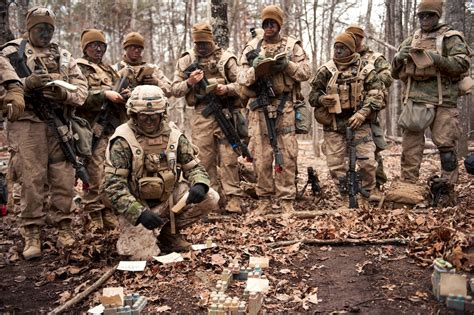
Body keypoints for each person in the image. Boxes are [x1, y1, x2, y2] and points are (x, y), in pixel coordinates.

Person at [1, 7, 88, 259]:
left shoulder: (62, 55)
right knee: (31, 177)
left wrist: (63, 93)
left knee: (63, 176)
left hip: (59, 124)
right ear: (29, 29)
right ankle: (32, 232)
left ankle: (64, 226)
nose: (46, 33)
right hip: (27, 126)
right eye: (41, 29)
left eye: (50, 29)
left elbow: (81, 90)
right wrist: (26, 86)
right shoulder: (10, 53)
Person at [103, 85, 219, 252]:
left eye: (154, 116)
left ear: (162, 114)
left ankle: (168, 233)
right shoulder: (122, 140)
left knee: (210, 196)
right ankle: (143, 235)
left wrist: (200, 183)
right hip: (136, 204)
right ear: (134, 115)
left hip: (168, 199)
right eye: (144, 116)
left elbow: (194, 167)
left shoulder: (173, 135)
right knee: (143, 257)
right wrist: (139, 213)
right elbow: (113, 188)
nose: (149, 121)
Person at [238, 5, 311, 214]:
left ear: (279, 25)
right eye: (266, 23)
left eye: (273, 23)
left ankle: (286, 199)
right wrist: (255, 69)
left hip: (284, 105)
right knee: (261, 154)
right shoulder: (252, 46)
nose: (269, 27)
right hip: (258, 108)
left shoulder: (292, 46)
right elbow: (240, 77)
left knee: (287, 153)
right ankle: (264, 199)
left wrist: (287, 65)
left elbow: (306, 71)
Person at [391, 0, 471, 190]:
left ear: (437, 16)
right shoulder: (411, 40)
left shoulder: (451, 38)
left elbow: (462, 64)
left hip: (444, 99)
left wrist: (435, 59)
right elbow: (394, 73)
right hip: (416, 99)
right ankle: (408, 187)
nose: (425, 19)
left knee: (446, 146)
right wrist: (398, 58)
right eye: (422, 16)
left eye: (429, 15)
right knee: (410, 146)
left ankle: (446, 187)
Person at [171, 22, 247, 213]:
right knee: (204, 159)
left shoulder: (226, 59)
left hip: (225, 112)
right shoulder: (187, 60)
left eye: (205, 43)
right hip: (201, 114)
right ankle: (211, 199)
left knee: (229, 157)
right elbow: (174, 89)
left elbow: (243, 84)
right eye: (198, 43)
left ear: (212, 40)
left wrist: (226, 89)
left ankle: (233, 198)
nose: (202, 47)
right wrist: (189, 82)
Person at [309, 32, 383, 201]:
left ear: (351, 49)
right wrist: (321, 99)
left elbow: (376, 94)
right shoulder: (326, 70)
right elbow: (312, 96)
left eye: (342, 48)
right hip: (333, 125)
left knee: (367, 163)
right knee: (335, 165)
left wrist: (362, 113)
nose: (338, 51)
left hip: (360, 123)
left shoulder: (365, 69)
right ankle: (345, 198)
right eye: (336, 47)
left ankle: (366, 196)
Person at [76, 29, 125, 231]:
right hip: (91, 128)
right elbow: (78, 97)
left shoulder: (110, 70)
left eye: (102, 46)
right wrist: (104, 95)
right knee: (94, 173)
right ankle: (93, 213)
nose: (98, 49)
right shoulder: (78, 68)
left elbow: (118, 91)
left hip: (111, 128)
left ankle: (107, 210)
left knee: (110, 172)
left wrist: (124, 94)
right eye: (94, 45)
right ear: (85, 48)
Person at [346, 24, 393, 191]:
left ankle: (376, 184)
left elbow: (387, 78)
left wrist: (366, 83)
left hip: (370, 108)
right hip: (348, 109)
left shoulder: (375, 58)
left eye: (355, 36)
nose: (352, 39)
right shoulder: (344, 56)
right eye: (349, 36)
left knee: (374, 146)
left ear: (361, 38)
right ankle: (356, 183)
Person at [113, 32, 172, 96]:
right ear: (126, 48)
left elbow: (171, 90)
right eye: (133, 47)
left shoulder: (152, 69)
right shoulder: (115, 69)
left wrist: (157, 83)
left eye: (139, 48)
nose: (136, 50)